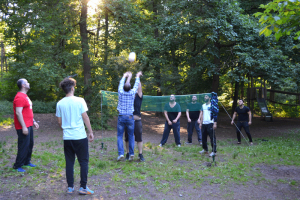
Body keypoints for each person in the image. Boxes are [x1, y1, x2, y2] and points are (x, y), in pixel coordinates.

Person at [56, 77, 95, 195]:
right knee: (83, 161)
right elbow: (85, 117)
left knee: (69, 162)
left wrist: (66, 129)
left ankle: (70, 187)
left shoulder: (60, 103)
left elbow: (59, 122)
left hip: (67, 138)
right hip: (80, 137)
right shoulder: (80, 100)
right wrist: (91, 132)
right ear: (72, 88)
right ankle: (83, 187)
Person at [13, 78, 39, 172]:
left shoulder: (25, 96)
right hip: (23, 126)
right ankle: (17, 165)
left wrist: (34, 121)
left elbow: (27, 111)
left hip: (29, 124)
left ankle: (26, 162)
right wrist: (24, 127)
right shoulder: (19, 97)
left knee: (30, 144)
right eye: (27, 82)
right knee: (23, 145)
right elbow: (18, 113)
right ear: (23, 85)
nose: (29, 83)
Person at [117, 71, 142, 161]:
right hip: (130, 117)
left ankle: (121, 154)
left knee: (120, 136)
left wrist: (125, 76)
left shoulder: (120, 92)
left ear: (123, 87)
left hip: (121, 116)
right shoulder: (132, 93)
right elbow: (136, 85)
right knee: (131, 135)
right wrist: (137, 76)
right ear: (131, 88)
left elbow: (120, 84)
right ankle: (131, 154)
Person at [124, 81, 145, 162]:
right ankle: (128, 153)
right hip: (128, 121)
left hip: (137, 121)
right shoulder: (129, 95)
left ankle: (140, 154)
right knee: (127, 139)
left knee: (139, 139)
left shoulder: (139, 96)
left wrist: (138, 78)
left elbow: (139, 89)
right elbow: (126, 87)